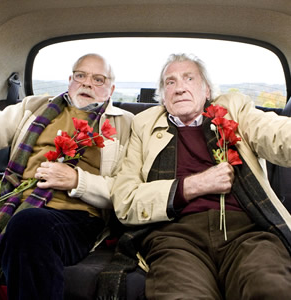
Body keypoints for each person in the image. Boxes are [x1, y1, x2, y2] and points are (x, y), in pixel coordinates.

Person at [111, 53, 291, 299]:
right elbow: (125, 200)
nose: (179, 88)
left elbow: (272, 131)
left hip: (246, 231)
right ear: (163, 96)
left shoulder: (233, 109)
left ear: (207, 90)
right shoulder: (143, 125)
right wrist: (193, 185)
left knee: (271, 288)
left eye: (188, 78)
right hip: (175, 237)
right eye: (170, 82)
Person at [0, 53, 133, 299]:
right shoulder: (36, 106)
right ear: (70, 79)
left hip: (77, 216)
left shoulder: (126, 124)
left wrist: (78, 181)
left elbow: (127, 190)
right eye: (81, 75)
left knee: (28, 225)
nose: (87, 83)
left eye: (98, 79)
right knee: (23, 221)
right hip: (13, 203)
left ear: (112, 88)